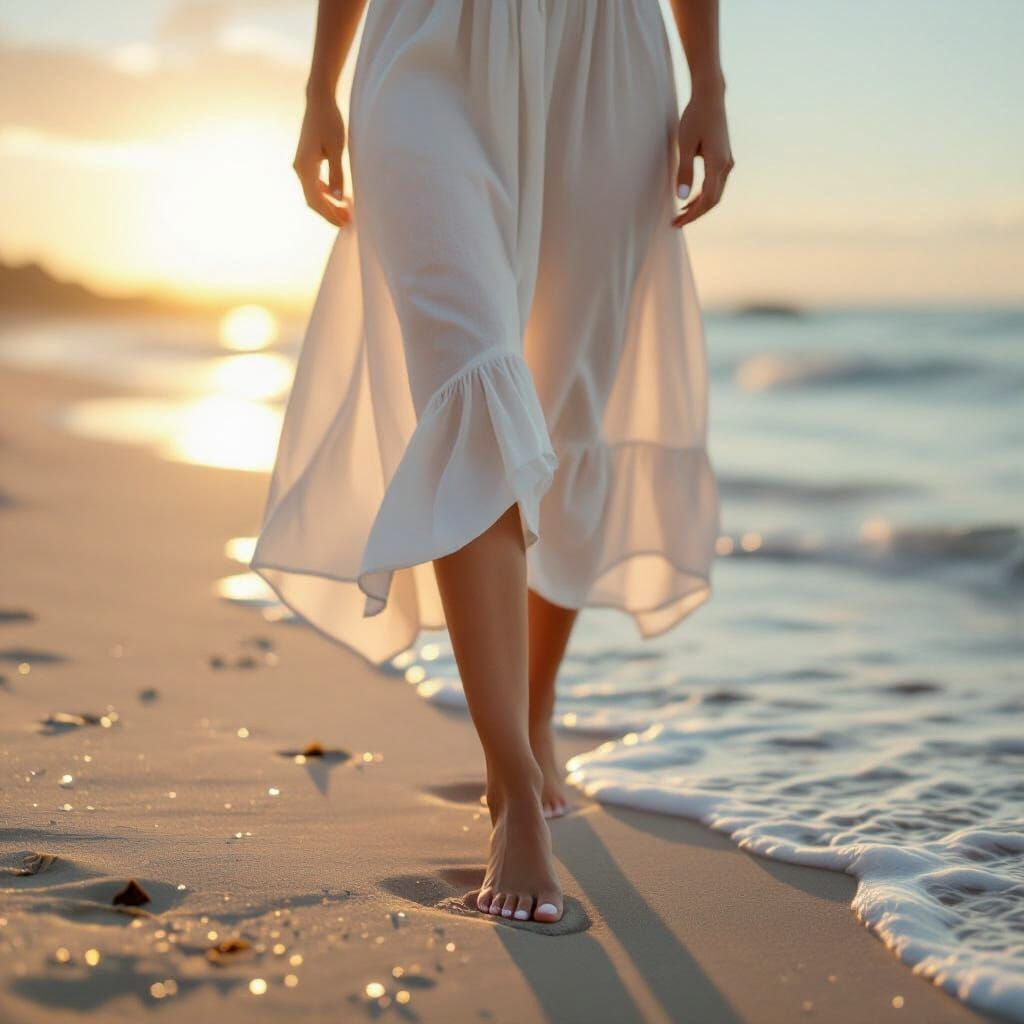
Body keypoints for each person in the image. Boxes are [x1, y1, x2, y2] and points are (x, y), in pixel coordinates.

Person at [251, 0, 732, 925]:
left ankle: (537, 707)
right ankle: (511, 778)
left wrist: (707, 80)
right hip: (426, 49)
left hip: (602, 60)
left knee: (567, 403)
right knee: (469, 380)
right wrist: (319, 86)